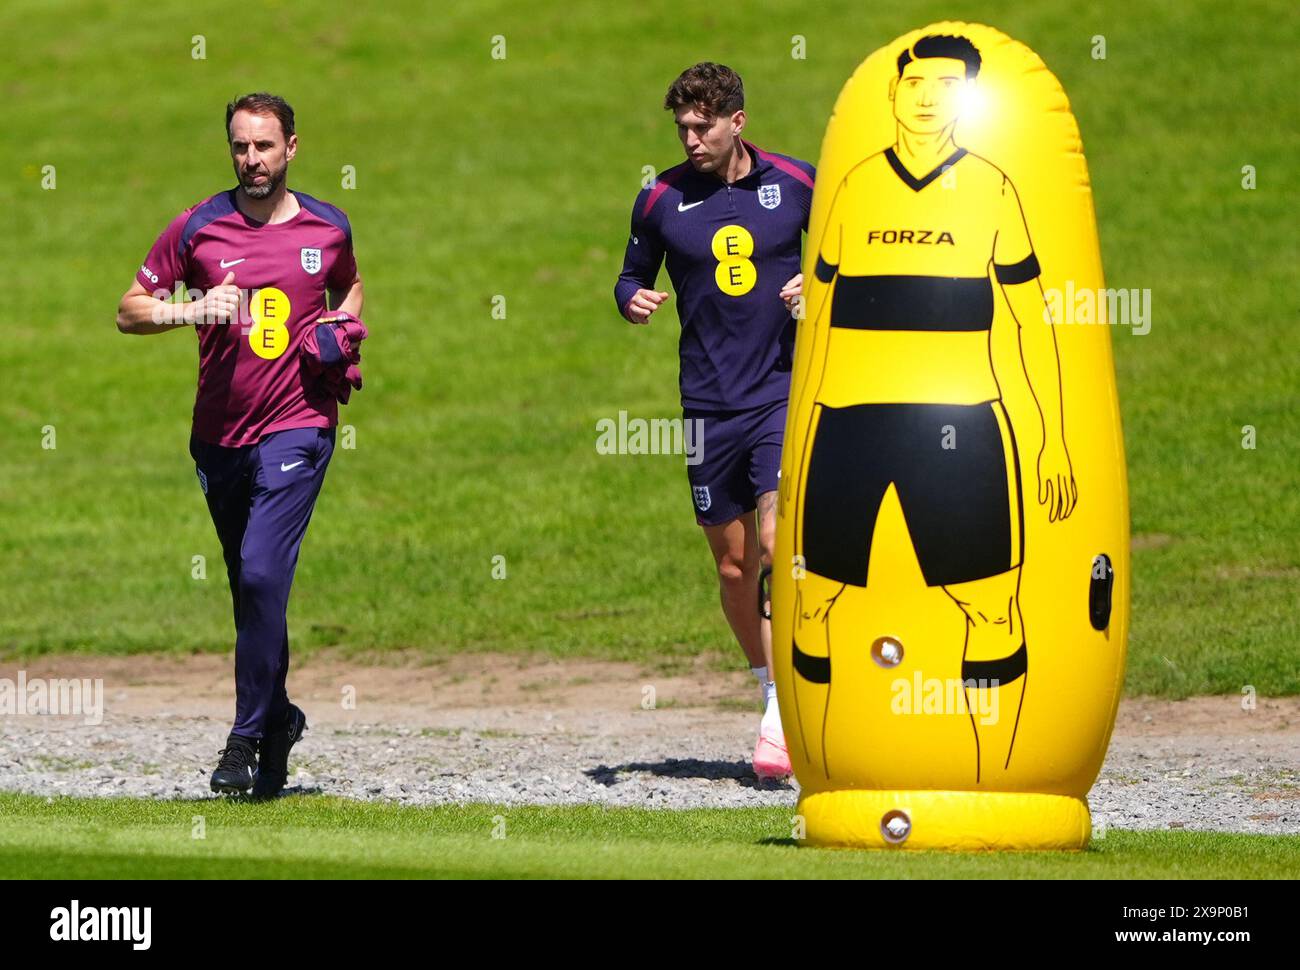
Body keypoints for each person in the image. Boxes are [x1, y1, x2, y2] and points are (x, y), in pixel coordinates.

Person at [788, 34, 1076, 783]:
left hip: (963, 430)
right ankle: (824, 779)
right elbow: (816, 321)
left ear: (966, 101)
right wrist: (796, 450)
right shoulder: (852, 187)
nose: (925, 95)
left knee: (988, 606)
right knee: (814, 602)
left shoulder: (991, 187)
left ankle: (997, 783)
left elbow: (1031, 322)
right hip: (847, 423)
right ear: (893, 93)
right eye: (915, 82)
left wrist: (1052, 443)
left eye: (946, 85)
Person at [116, 92, 364, 797]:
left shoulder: (328, 226)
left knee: (260, 574)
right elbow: (127, 311)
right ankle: (279, 719)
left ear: (292, 148)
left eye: (263, 146)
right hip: (219, 436)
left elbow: (349, 289)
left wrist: (338, 339)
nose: (251, 159)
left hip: (299, 426)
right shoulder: (199, 227)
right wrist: (190, 309)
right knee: (253, 593)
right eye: (240, 147)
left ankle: (244, 738)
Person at [614, 63, 815, 780]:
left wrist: (819, 285)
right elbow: (630, 274)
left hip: (780, 392)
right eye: (682, 128)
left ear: (739, 122)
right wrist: (631, 299)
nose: (691, 139)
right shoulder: (661, 197)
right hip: (705, 404)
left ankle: (792, 706)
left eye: (704, 126)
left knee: (775, 535)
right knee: (735, 566)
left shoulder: (799, 183)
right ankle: (771, 691)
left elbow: (848, 257)